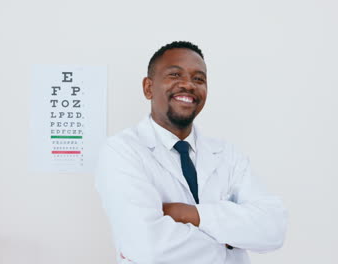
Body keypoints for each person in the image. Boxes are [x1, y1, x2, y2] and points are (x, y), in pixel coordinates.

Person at [95, 41, 287, 264]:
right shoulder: (121, 151)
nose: (188, 85)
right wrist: (230, 243)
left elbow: (273, 229)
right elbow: (149, 248)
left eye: (199, 79)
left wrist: (189, 214)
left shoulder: (227, 154)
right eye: (175, 74)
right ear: (148, 87)